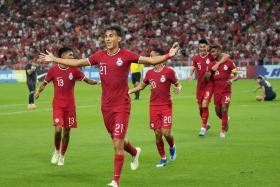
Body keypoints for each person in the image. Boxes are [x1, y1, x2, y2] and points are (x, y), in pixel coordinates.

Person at [38, 26, 179, 187]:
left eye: (111, 36)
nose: (107, 39)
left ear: (119, 38)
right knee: (116, 139)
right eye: (105, 36)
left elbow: (151, 60)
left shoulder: (126, 55)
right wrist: (54, 59)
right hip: (105, 107)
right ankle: (134, 152)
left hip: (122, 106)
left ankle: (115, 181)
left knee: (117, 143)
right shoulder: (100, 55)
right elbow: (77, 62)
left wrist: (169, 55)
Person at [35, 47, 100, 166]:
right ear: (63, 56)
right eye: (70, 55)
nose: (72, 56)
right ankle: (56, 150)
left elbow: (87, 80)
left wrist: (98, 82)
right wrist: (38, 91)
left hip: (70, 106)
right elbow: (44, 83)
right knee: (58, 129)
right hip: (58, 105)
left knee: (67, 132)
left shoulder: (74, 70)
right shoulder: (53, 70)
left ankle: (62, 155)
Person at [128, 49, 182, 168]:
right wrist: (129, 91)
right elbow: (142, 86)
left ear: (159, 57)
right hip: (153, 107)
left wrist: (178, 88)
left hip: (166, 106)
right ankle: (163, 158)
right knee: (157, 134)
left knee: (166, 133)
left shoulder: (169, 71)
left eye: (152, 56)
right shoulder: (149, 73)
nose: (150, 58)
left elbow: (178, 84)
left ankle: (172, 146)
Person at [187, 39, 230, 136]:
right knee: (200, 107)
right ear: (199, 47)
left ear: (207, 47)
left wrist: (218, 64)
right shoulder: (196, 58)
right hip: (200, 85)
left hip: (209, 84)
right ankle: (206, 124)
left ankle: (203, 127)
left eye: (204, 47)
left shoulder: (211, 55)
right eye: (200, 47)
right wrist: (190, 74)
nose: (202, 48)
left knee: (205, 104)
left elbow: (227, 56)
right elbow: (193, 67)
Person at [209, 44, 239, 138]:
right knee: (218, 112)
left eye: (214, 51)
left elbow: (237, 75)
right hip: (216, 92)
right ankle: (226, 119)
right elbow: (208, 77)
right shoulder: (211, 64)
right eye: (211, 52)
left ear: (219, 51)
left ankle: (222, 131)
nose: (212, 53)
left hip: (226, 91)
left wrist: (231, 80)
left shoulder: (229, 62)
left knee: (224, 109)